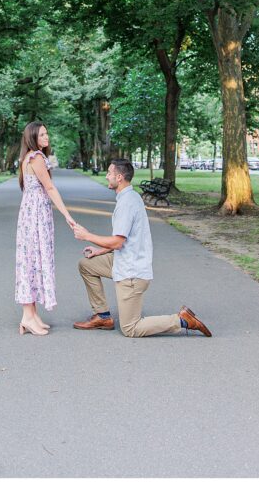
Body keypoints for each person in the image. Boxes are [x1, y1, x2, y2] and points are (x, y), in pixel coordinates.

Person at [71, 159, 212, 338]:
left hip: (132, 273)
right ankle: (103, 316)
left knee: (131, 328)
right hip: (123, 260)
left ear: (119, 177)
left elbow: (117, 242)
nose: (106, 176)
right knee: (87, 265)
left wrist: (86, 235)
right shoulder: (130, 196)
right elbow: (126, 240)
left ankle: (182, 320)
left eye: (109, 173)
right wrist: (100, 251)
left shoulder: (127, 203)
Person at [15, 121, 77, 336]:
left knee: (31, 260)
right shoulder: (37, 157)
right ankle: (27, 315)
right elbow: (49, 188)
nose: (46, 137)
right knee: (33, 260)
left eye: (47, 134)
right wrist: (67, 215)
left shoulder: (28, 157)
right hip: (36, 216)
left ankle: (31, 315)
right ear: (33, 137)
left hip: (30, 213)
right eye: (42, 135)